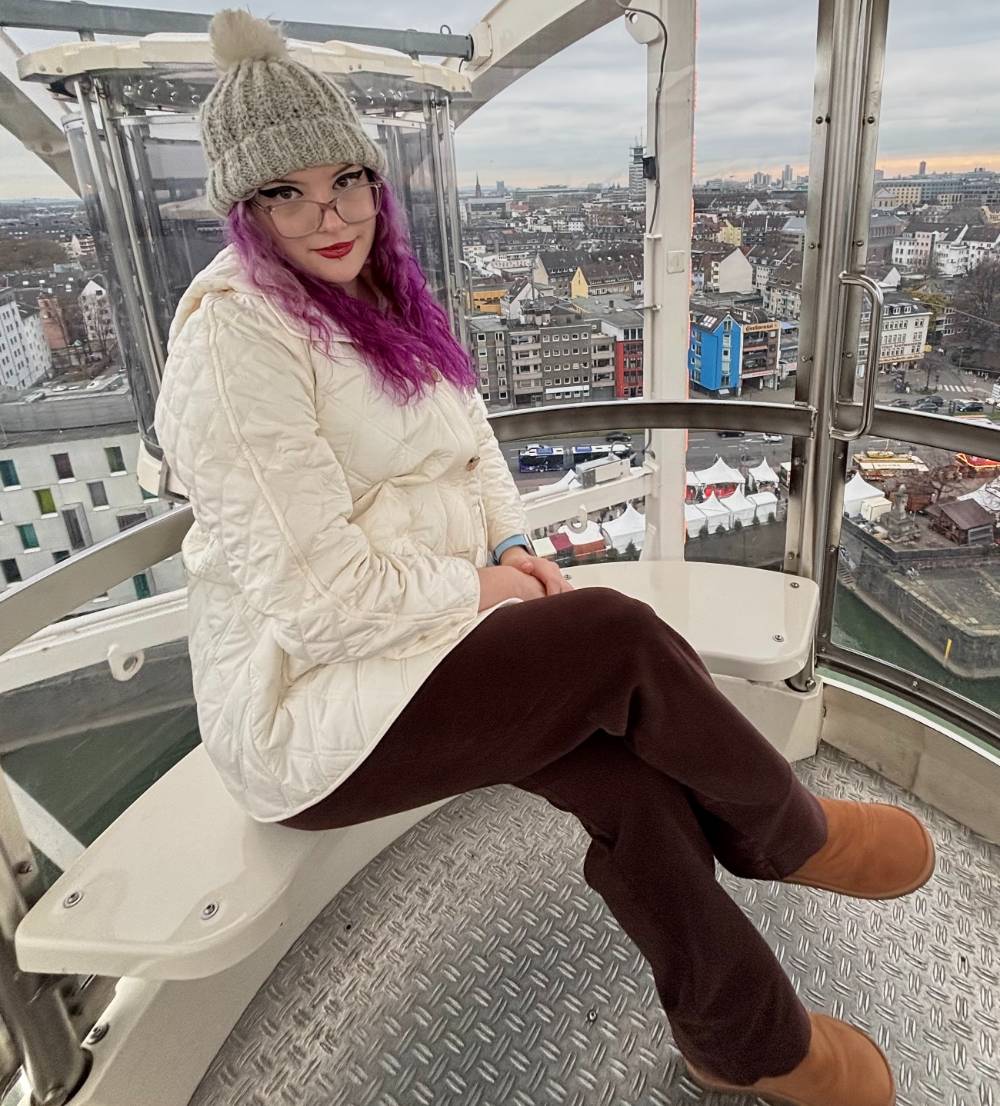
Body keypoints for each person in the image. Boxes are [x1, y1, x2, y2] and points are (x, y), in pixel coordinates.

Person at [153, 12, 935, 1106]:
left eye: (346, 181)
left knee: (634, 790)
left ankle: (745, 1042)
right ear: (245, 213)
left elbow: (471, 445)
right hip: (312, 706)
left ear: (380, 187)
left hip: (426, 642)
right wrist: (488, 585)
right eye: (285, 192)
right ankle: (785, 831)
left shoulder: (382, 301)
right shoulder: (235, 342)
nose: (327, 212)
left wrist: (514, 541)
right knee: (613, 636)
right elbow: (317, 602)